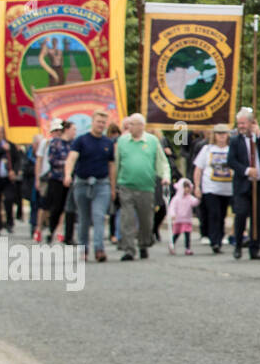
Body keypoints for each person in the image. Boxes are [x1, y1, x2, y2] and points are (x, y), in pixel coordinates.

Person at [114, 113, 170, 261]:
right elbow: (117, 163)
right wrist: (115, 184)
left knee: (146, 220)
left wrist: (165, 176)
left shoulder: (152, 141)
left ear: (141, 126)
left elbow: (162, 161)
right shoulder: (122, 141)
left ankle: (144, 244)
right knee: (127, 219)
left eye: (132, 124)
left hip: (146, 187)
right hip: (126, 185)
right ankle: (129, 249)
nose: (129, 127)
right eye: (128, 124)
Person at [64, 110, 116, 262]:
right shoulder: (81, 140)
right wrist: (68, 174)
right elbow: (71, 158)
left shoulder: (108, 143)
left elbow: (111, 165)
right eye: (98, 121)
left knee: (99, 216)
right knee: (84, 218)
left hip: (101, 183)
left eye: (103, 122)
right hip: (82, 182)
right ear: (92, 122)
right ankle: (83, 249)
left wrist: (112, 187)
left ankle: (99, 248)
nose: (100, 125)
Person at [229, 108, 260, 260]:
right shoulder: (235, 140)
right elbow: (231, 161)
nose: (240, 126)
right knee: (241, 214)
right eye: (239, 123)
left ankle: (255, 248)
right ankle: (238, 245)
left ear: (251, 123)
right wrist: (247, 170)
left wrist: (259, 135)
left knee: (259, 217)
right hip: (243, 184)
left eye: (243, 123)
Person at [193, 123, 235, 255]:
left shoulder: (231, 149)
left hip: (227, 188)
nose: (221, 137)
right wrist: (197, 186)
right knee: (214, 213)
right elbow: (198, 169)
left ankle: (219, 237)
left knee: (222, 214)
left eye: (224, 134)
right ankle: (214, 240)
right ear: (214, 135)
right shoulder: (207, 149)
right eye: (219, 134)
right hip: (210, 187)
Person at [168, 178, 201, 255]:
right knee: (176, 234)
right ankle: (172, 245)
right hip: (178, 219)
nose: (187, 189)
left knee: (187, 234)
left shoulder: (189, 198)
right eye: (185, 187)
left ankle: (187, 248)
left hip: (187, 219)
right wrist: (172, 214)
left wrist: (198, 198)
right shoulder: (176, 199)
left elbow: (194, 203)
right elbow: (172, 207)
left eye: (188, 187)